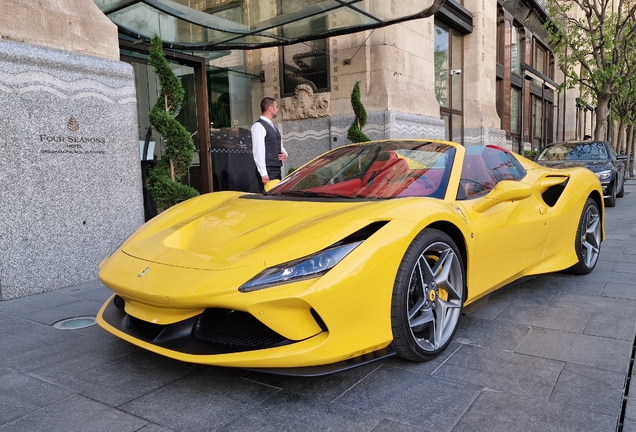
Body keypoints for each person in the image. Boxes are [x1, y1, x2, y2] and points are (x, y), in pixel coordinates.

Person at [251, 97, 288, 190]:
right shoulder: (258, 126)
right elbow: (258, 150)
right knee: (268, 197)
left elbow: (277, 143)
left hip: (276, 168)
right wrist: (263, 173)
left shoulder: (272, 125)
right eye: (276, 107)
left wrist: (285, 154)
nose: (277, 109)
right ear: (270, 109)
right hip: (268, 170)